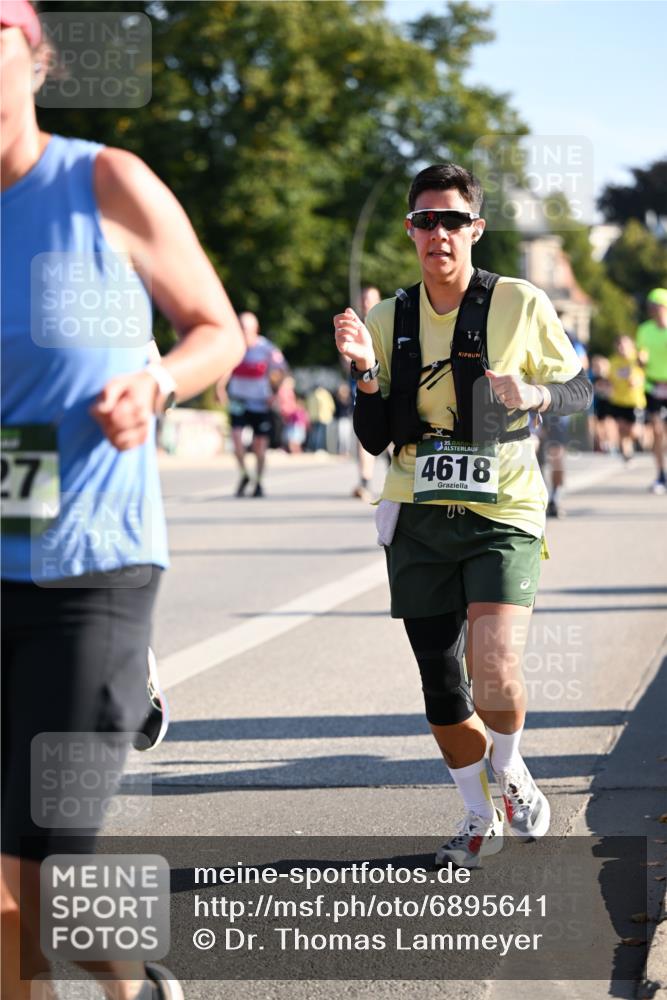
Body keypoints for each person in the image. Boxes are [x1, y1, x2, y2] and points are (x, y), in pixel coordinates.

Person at [0, 6, 245, 1000]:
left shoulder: (103, 181)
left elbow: (215, 330)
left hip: (88, 565)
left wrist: (155, 385)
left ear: (37, 57)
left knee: (47, 880)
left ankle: (134, 980)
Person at [334, 162, 591, 869]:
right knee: (441, 681)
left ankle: (505, 768)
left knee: (494, 662)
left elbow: (579, 391)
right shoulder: (390, 319)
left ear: (474, 228)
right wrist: (361, 371)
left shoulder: (517, 301)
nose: (437, 233)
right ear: (411, 230)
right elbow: (372, 435)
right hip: (416, 508)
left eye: (452, 220)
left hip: (503, 504)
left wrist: (535, 396)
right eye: (425, 221)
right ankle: (477, 815)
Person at [217, 311, 286, 497]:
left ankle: (258, 481)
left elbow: (281, 371)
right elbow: (226, 367)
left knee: (259, 446)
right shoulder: (234, 347)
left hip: (260, 403)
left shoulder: (267, 349)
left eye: (245, 328)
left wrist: (275, 393)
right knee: (236, 438)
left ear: (255, 329)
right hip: (239, 399)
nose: (242, 332)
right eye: (239, 327)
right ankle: (244, 474)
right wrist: (220, 387)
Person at [636, 287, 667, 494]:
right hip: (653, 385)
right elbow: (641, 355)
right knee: (656, 431)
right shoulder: (644, 330)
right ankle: (661, 474)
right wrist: (640, 359)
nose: (655, 311)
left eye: (658, 307)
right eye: (652, 307)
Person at [607, 335, 646, 462]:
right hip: (618, 400)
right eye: (619, 345)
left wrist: (637, 381)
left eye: (624, 345)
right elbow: (611, 378)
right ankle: (627, 453)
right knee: (621, 429)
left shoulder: (636, 358)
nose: (622, 348)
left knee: (634, 431)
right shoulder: (614, 362)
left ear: (631, 346)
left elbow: (643, 372)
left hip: (635, 401)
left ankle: (636, 442)